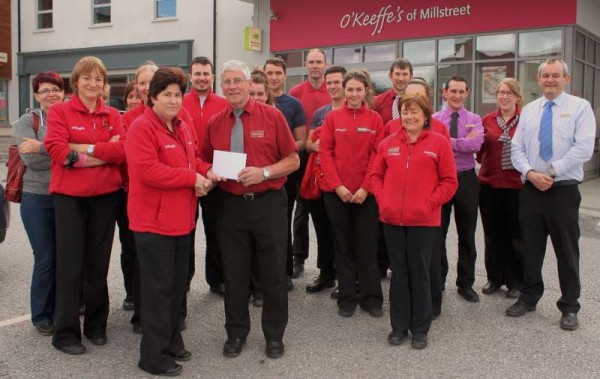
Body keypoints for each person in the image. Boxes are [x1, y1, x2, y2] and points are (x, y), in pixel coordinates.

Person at [200, 60, 299, 359]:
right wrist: (209, 172)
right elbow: (201, 159)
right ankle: (236, 333)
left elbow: (293, 160)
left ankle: (274, 336)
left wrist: (265, 172)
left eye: (237, 81)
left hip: (268, 203)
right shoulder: (215, 122)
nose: (231, 87)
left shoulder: (273, 116)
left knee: (273, 274)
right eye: (226, 82)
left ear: (248, 84)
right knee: (235, 273)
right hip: (230, 205)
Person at [126, 66, 212, 376]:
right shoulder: (141, 128)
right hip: (154, 225)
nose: (174, 100)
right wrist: (193, 178)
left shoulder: (182, 126)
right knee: (157, 292)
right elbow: (149, 171)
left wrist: (207, 171)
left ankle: (173, 341)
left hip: (182, 222)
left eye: (178, 94)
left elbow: (194, 159)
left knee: (177, 289)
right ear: (152, 98)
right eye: (167, 95)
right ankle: (152, 356)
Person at [45, 56, 126, 355]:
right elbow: (57, 150)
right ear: (75, 81)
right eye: (88, 78)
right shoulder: (60, 112)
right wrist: (103, 154)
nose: (94, 84)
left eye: (99, 79)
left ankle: (96, 326)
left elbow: (123, 150)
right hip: (70, 200)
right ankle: (66, 333)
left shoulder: (112, 114)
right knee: (70, 266)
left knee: (97, 265)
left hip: (105, 198)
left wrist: (82, 150)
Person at [508, 58, 596, 331]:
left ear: (566, 79)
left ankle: (570, 306)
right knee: (530, 248)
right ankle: (529, 296)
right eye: (545, 75)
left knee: (566, 251)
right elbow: (516, 148)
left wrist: (552, 171)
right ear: (539, 79)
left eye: (555, 75)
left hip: (563, 191)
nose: (549, 80)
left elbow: (584, 148)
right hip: (532, 188)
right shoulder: (531, 110)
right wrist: (531, 173)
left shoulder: (580, 108)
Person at [371, 93, 457, 349]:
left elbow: (450, 182)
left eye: (414, 111)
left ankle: (420, 328)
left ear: (425, 115)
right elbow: (375, 176)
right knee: (399, 274)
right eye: (405, 111)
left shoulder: (439, 143)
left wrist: (429, 203)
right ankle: (399, 326)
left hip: (424, 221)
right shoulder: (387, 144)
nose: (409, 116)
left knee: (420, 274)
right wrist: (384, 200)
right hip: (391, 220)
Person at [319, 69, 384, 318]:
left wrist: (366, 187)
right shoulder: (333, 118)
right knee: (343, 246)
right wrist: (338, 186)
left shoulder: (375, 120)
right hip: (337, 194)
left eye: (359, 89)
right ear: (344, 91)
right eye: (350, 89)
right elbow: (325, 153)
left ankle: (371, 298)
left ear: (366, 90)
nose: (354, 94)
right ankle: (347, 297)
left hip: (366, 195)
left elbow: (378, 156)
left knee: (367, 246)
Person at [385, 77, 449, 318]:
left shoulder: (439, 131)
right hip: (397, 213)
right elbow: (380, 170)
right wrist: (386, 201)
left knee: (428, 262)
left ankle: (431, 307)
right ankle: (402, 315)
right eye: (408, 99)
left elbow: (446, 176)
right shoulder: (390, 128)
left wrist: (431, 203)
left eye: (418, 98)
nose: (411, 107)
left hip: (426, 212)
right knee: (401, 269)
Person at [15, 71, 65, 336]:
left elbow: (78, 149)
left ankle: (62, 308)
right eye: (44, 90)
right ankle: (41, 314)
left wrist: (44, 147)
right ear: (36, 95)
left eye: (55, 89)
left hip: (66, 196)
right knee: (45, 257)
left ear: (63, 91)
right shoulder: (27, 121)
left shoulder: (68, 116)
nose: (50, 94)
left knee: (65, 257)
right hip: (37, 198)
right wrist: (62, 150)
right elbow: (30, 160)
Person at [433, 76, 484, 303]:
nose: (456, 95)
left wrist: (447, 141)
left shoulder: (474, 119)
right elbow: (434, 145)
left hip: (466, 180)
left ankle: (466, 283)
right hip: (441, 179)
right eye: (452, 91)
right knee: (438, 233)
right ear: (445, 92)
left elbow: (475, 145)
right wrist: (460, 141)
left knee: (467, 234)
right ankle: (438, 279)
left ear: (467, 92)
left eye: (461, 91)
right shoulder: (434, 119)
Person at [182, 56, 229, 298]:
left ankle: (216, 278)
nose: (201, 78)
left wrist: (213, 175)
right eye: (197, 74)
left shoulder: (223, 103)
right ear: (190, 77)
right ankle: (185, 278)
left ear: (212, 77)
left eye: (205, 74)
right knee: (185, 231)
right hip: (186, 176)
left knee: (216, 231)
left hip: (215, 176)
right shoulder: (178, 102)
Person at [477, 78, 525, 299]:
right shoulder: (487, 120)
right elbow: (480, 151)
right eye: (501, 92)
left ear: (517, 96)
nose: (504, 96)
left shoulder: (526, 120)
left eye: (509, 92)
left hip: (516, 187)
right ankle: (494, 278)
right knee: (492, 235)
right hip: (489, 186)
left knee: (516, 236)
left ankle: (516, 281)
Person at [302, 65, 347, 297]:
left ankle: (345, 277)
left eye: (336, 82)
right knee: (322, 229)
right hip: (320, 180)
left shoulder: (354, 110)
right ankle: (326, 273)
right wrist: (315, 146)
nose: (332, 87)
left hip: (342, 182)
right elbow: (309, 144)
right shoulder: (321, 113)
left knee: (341, 231)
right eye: (329, 83)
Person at [264, 57, 306, 289]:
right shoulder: (253, 102)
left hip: (285, 174)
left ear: (284, 75)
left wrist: (283, 151)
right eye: (269, 72)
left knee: (283, 223)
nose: (273, 77)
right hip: (257, 174)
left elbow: (301, 141)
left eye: (277, 73)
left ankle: (285, 271)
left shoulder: (293, 105)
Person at [289, 50, 331, 276]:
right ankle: (299, 257)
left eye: (319, 62)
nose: (315, 66)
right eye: (311, 62)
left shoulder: (334, 90)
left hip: (328, 159)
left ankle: (330, 262)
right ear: (306, 65)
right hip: (304, 158)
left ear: (326, 65)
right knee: (302, 209)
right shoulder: (296, 93)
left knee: (328, 211)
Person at [372, 58, 414, 278]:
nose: (400, 78)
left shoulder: (418, 102)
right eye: (397, 74)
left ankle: (400, 265)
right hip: (387, 165)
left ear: (410, 76)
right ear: (391, 76)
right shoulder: (378, 103)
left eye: (405, 74)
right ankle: (380, 265)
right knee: (384, 217)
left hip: (412, 168)